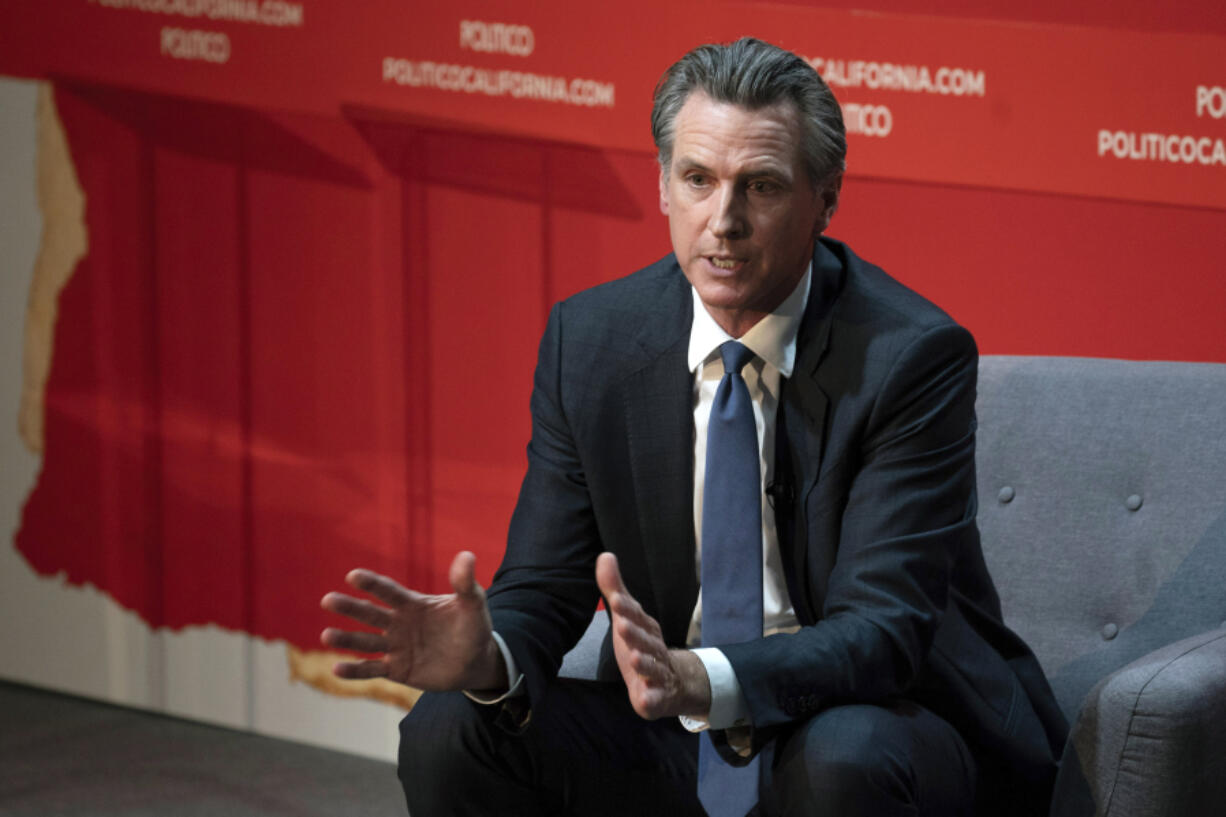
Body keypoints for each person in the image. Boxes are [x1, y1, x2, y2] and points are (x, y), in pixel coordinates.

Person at [321, 37, 1067, 817]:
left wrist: (702, 676)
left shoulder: (908, 358)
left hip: (874, 722)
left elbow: (882, 632)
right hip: (672, 727)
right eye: (699, 180)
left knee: (844, 758)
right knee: (449, 728)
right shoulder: (592, 342)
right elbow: (545, 585)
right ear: (664, 187)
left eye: (763, 187)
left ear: (826, 198)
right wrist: (488, 659)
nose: (725, 221)